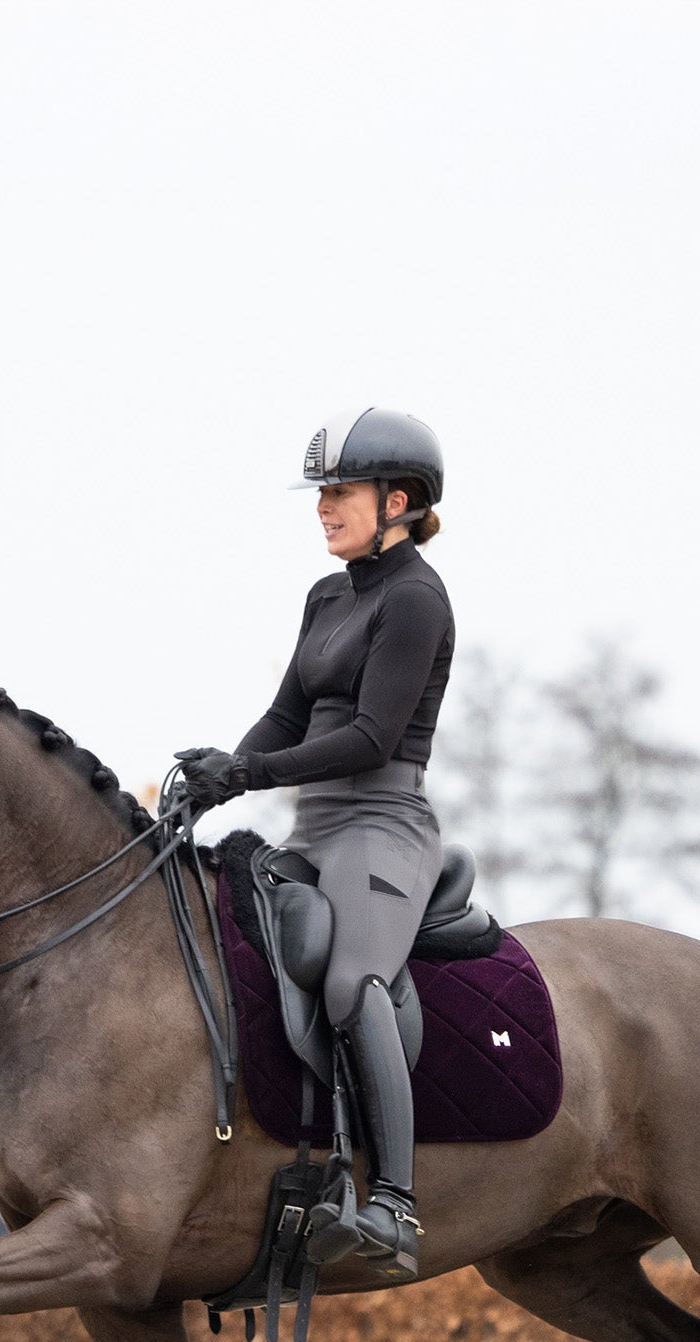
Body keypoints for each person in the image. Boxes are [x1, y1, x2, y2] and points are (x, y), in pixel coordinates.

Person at [176, 406, 453, 1276]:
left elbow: (371, 737)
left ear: (397, 500)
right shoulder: (327, 595)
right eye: (321, 494)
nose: (323, 509)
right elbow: (286, 715)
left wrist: (253, 777)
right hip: (313, 828)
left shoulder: (415, 599)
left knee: (348, 979)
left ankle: (395, 1208)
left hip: (382, 826)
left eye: (340, 492)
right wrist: (215, 780)